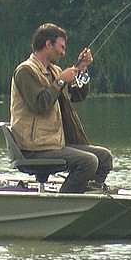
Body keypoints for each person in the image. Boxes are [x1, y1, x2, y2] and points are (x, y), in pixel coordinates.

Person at [10, 23, 113, 193]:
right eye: (61, 47)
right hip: (34, 148)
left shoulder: (54, 70)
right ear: (48, 44)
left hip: (54, 144)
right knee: (88, 162)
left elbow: (77, 96)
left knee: (104, 157)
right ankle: (66, 200)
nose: (63, 52)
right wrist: (60, 81)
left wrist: (82, 69)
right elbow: (39, 105)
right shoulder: (26, 71)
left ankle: (87, 194)